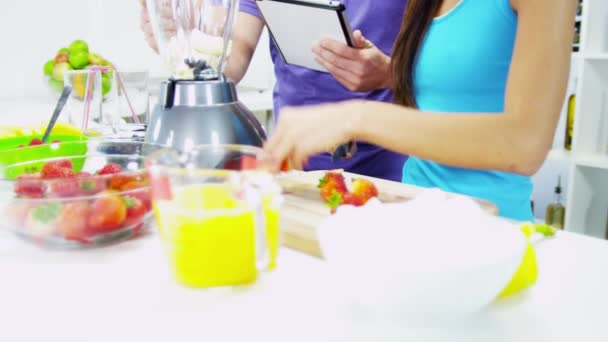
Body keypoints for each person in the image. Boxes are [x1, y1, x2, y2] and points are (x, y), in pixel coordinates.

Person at [263, 0, 577, 221]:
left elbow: (525, 144)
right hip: (416, 217)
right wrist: (389, 72)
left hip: (490, 230)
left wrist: (356, 117)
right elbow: (448, 89)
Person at [139, 0, 409, 182]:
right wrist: (188, 47)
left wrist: (390, 74)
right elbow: (235, 55)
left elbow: (445, 70)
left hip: (395, 161)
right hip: (293, 160)